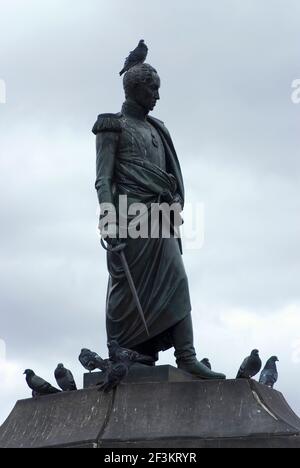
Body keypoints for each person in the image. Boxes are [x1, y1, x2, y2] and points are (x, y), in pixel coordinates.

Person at [93, 62, 225, 380]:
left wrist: (175, 198)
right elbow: (103, 179)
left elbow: (171, 179)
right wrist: (109, 221)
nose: (157, 96)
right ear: (135, 89)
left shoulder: (158, 129)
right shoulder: (112, 126)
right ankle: (131, 353)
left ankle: (186, 356)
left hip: (160, 216)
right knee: (126, 289)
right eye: (153, 88)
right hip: (130, 218)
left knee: (176, 279)